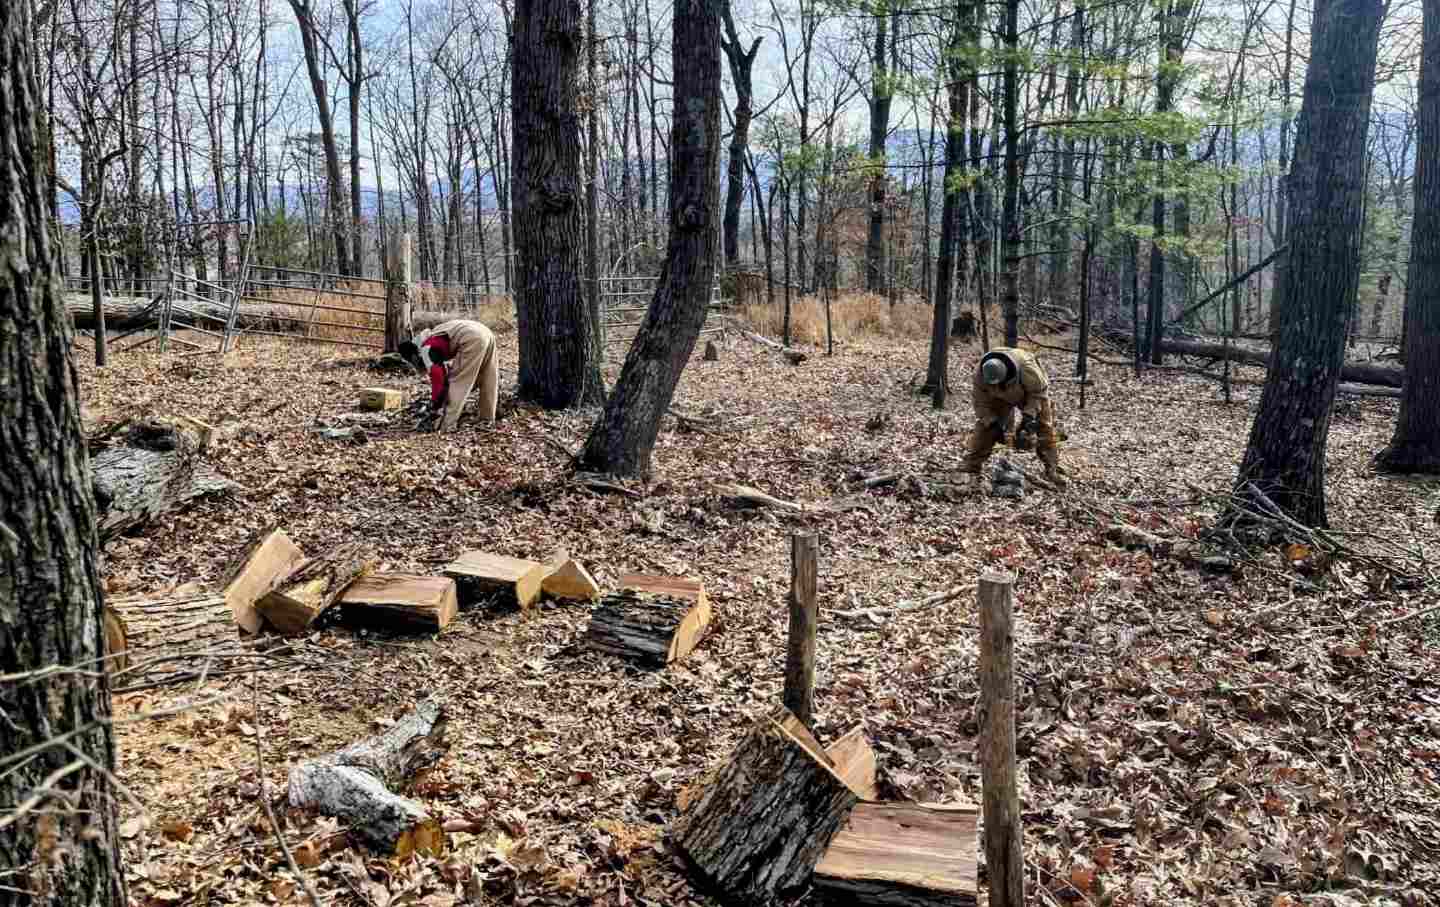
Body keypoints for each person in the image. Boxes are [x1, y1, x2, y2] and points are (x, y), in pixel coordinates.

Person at [960, 346, 1068, 488]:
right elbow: (980, 403)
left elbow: (1039, 393)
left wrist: (1029, 417)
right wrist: (993, 423)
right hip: (998, 397)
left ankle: (1052, 468)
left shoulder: (1026, 367)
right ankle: (971, 464)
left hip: (1029, 394)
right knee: (984, 427)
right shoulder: (980, 375)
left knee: (1044, 426)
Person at [398, 319, 498, 432]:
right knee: (488, 377)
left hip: (471, 338)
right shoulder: (430, 336)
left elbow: (438, 379)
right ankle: (487, 419)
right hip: (486, 332)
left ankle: (446, 425)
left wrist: (436, 405)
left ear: (413, 357)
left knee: (458, 383)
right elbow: (441, 368)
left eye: (412, 362)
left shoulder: (426, 349)